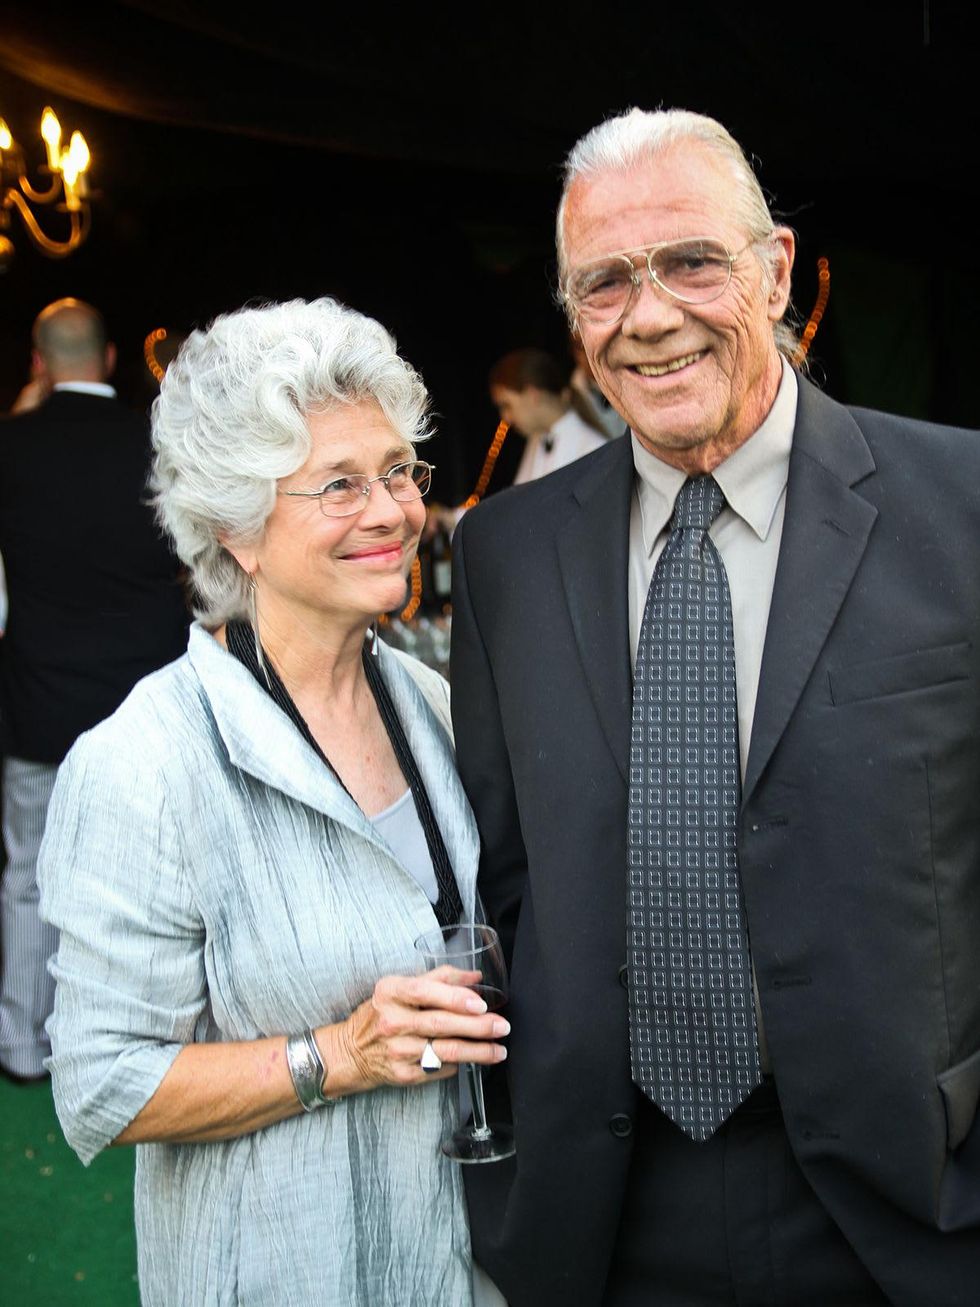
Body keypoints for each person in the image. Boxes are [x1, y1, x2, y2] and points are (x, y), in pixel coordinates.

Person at [450, 107, 980, 1306]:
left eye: (690, 261)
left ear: (776, 269)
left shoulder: (964, 508)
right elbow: (507, 875)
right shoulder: (507, 554)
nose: (648, 316)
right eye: (601, 284)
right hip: (605, 1218)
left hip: (914, 1207)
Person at [37, 299, 509, 1306]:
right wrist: (337, 1054)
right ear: (235, 531)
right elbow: (101, 1086)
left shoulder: (429, 703)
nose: (389, 510)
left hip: (460, 1263)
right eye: (338, 484)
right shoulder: (143, 762)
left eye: (396, 471)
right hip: (280, 1271)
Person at [0, 298, 189, 1082]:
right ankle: (152, 1043)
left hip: (39, 697)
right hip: (147, 698)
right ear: (110, 358)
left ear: (39, 363)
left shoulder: (7, 443)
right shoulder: (161, 440)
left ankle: (20, 1044)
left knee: (26, 873)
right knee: (162, 875)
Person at [489, 346, 607, 484]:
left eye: (506, 405)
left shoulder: (592, 448)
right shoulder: (537, 439)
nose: (505, 417)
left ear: (532, 394)